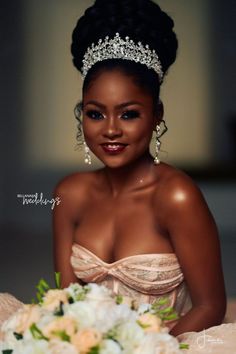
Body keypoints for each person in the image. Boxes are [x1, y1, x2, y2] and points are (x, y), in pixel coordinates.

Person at [0, 0, 235, 352]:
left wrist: (145, 348)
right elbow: (65, 302)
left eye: (128, 114)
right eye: (96, 114)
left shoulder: (177, 196)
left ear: (157, 115)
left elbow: (210, 306)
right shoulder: (69, 194)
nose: (110, 130)